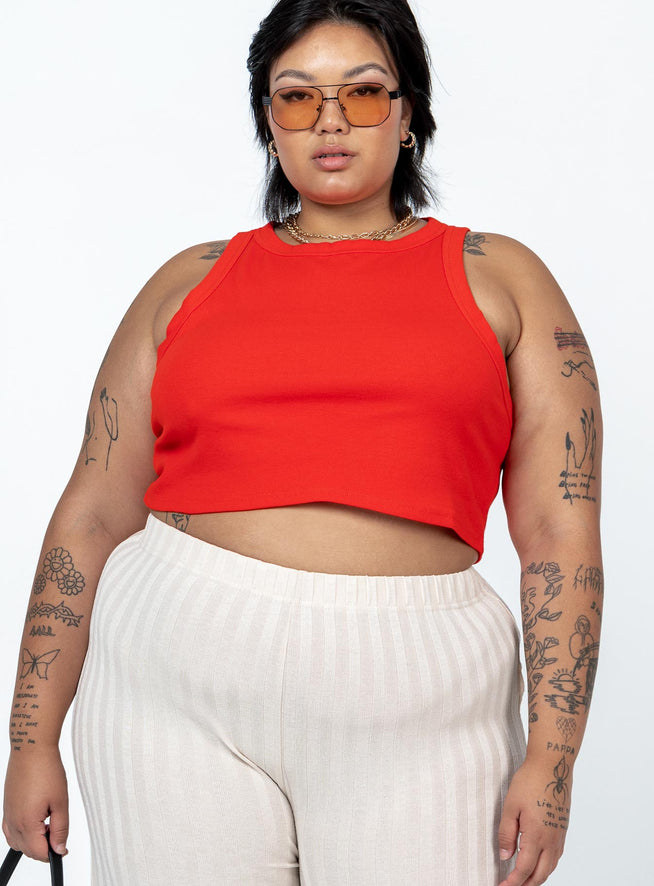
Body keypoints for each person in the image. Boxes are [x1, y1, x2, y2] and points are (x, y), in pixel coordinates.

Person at [2, 0, 603, 884]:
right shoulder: (188, 281)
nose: (329, 121)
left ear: (408, 114)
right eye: (296, 97)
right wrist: (30, 739)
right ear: (268, 122)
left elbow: (559, 534)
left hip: (420, 689)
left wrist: (553, 762)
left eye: (362, 93)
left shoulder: (502, 277)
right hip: (172, 675)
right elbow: (92, 514)